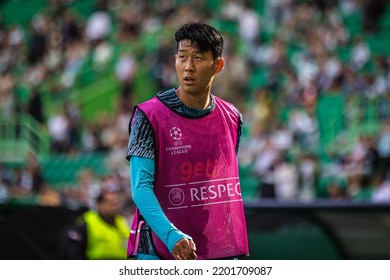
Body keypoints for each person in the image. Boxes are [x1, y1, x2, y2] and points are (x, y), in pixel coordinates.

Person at [126, 21, 249, 260]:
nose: (188, 67)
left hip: (213, 249)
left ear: (218, 65)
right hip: (159, 248)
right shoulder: (149, 116)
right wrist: (172, 236)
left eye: (199, 58)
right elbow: (140, 189)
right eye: (182, 57)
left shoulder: (232, 117)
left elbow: (220, 188)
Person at [58, 190, 130, 260]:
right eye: (110, 204)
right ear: (99, 204)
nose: (115, 207)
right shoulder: (87, 222)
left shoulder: (122, 222)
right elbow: (74, 252)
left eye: (116, 203)